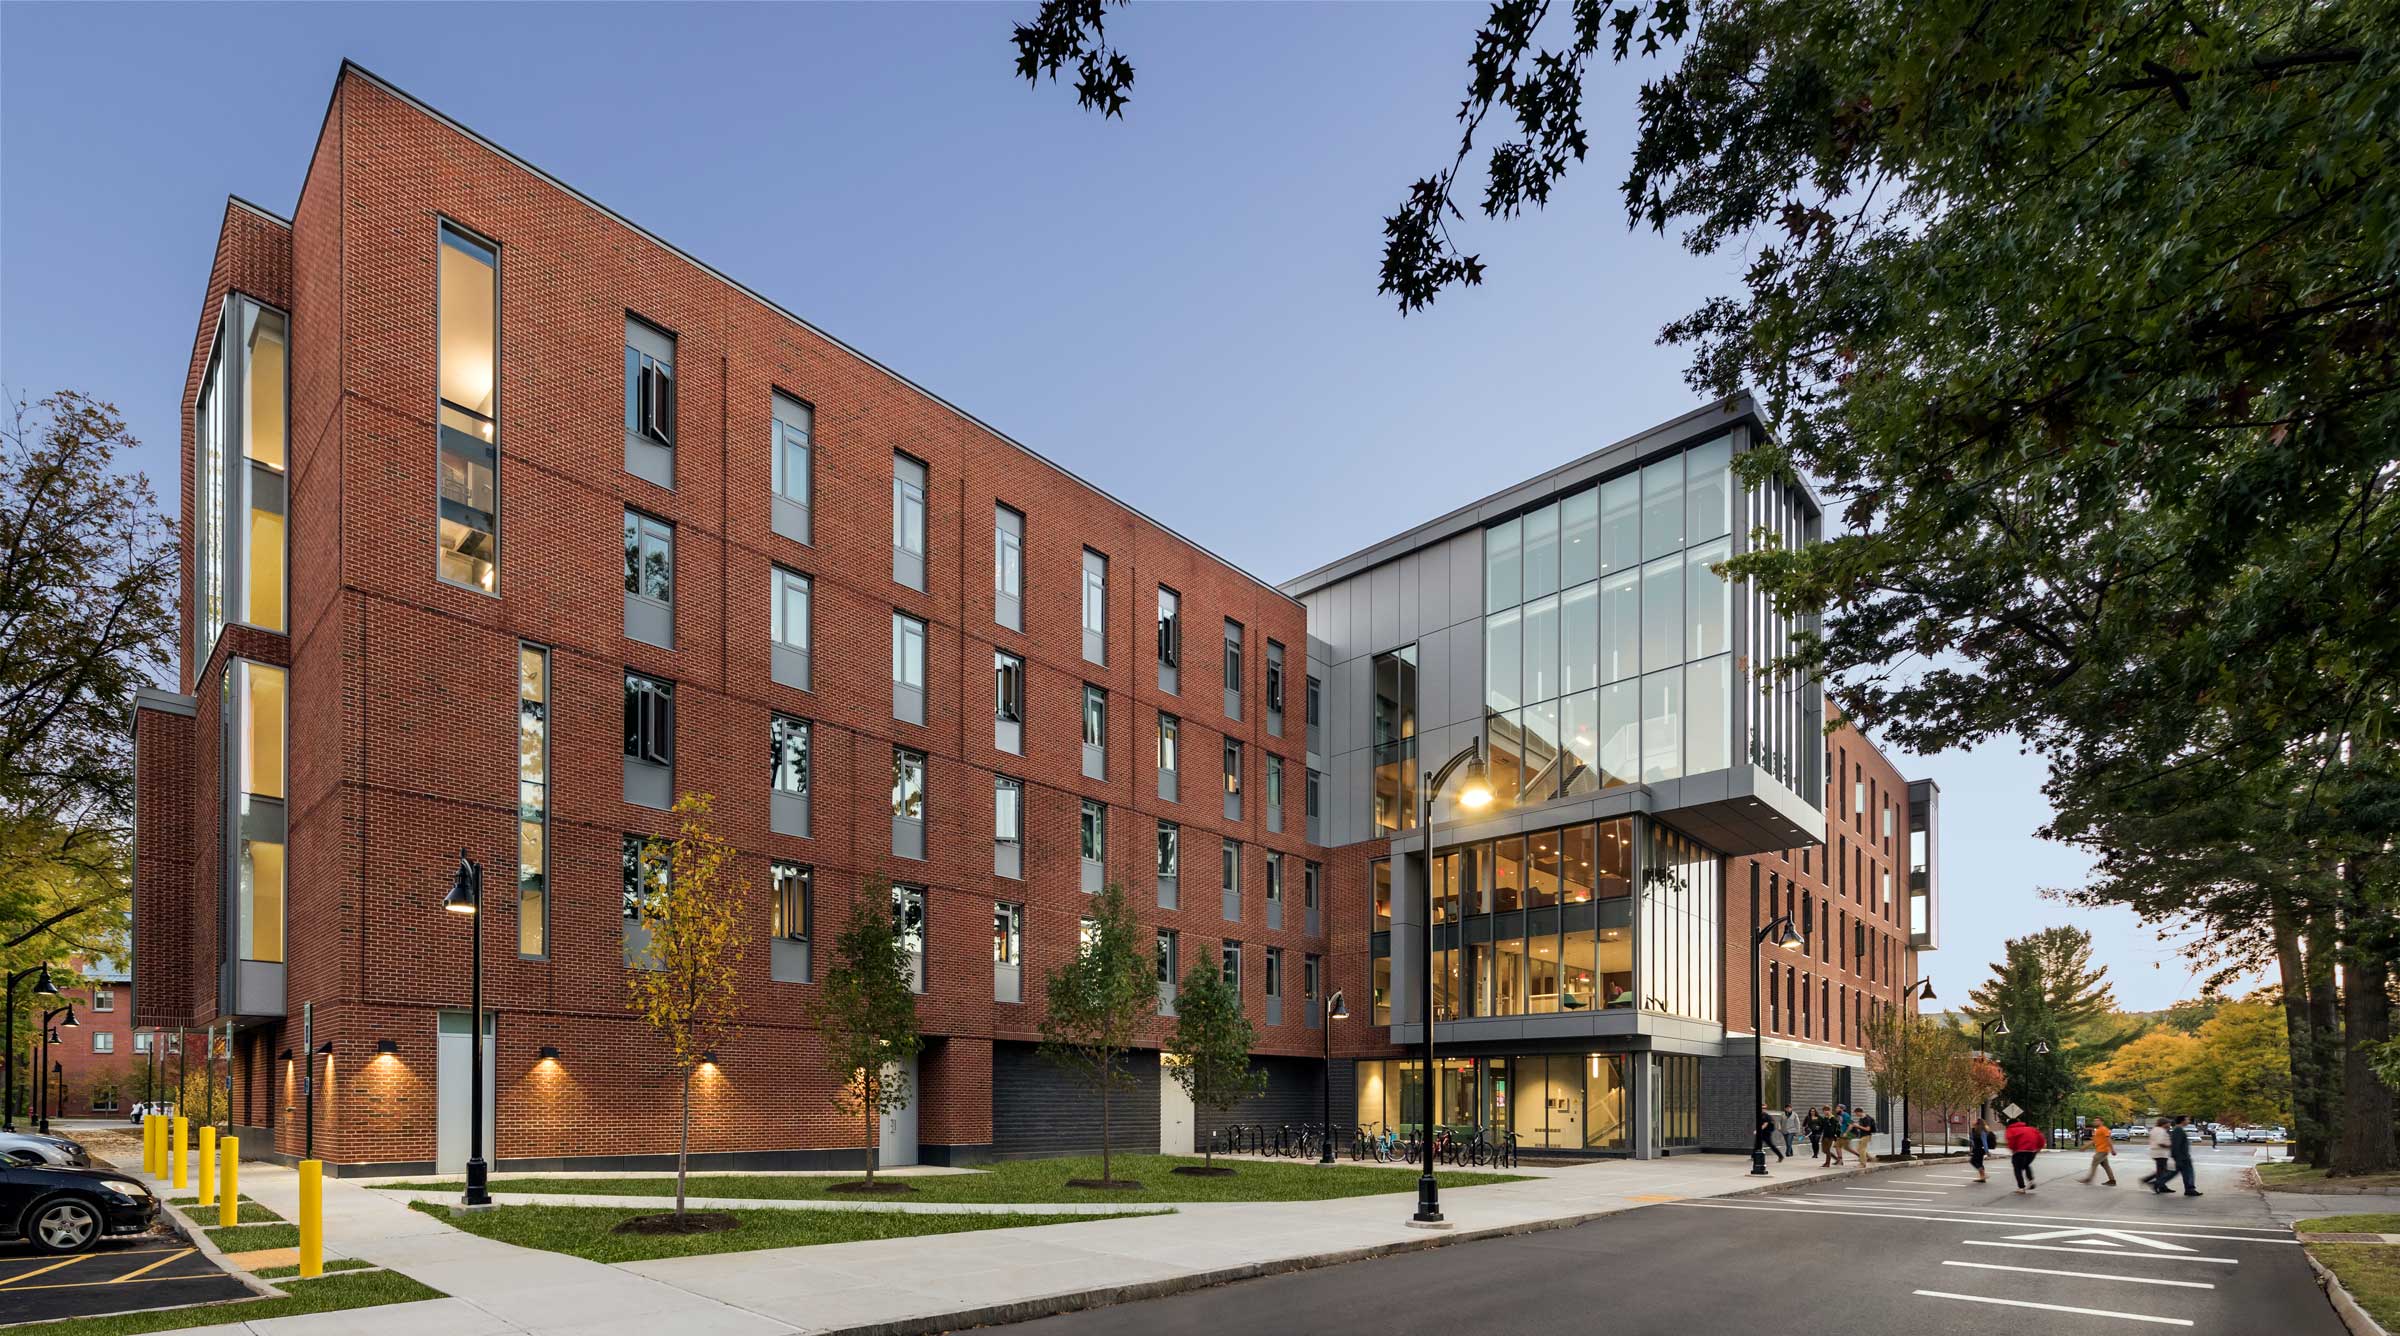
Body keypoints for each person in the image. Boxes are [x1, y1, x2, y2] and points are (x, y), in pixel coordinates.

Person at [2003, 1115, 2045, 1192]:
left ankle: (2021, 1187)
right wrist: (2039, 1148)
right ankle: (2031, 1181)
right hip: (2032, 1152)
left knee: (2017, 1169)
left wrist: (2012, 1149)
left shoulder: (2011, 1130)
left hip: (2019, 1151)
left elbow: (2011, 1141)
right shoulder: (2031, 1129)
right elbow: (2041, 1138)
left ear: (2009, 1124)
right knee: (2026, 1165)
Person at [2170, 1115, 2202, 1197]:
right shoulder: (2178, 1130)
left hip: (2183, 1156)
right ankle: (2190, 1189)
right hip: (2183, 1157)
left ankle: (2189, 1189)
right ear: (2182, 1121)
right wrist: (2177, 1157)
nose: (2188, 1121)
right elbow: (2176, 1145)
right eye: (2187, 1120)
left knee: (2174, 1173)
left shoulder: (2179, 1129)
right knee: (2188, 1173)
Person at [2080, 1119, 2117, 1185]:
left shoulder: (2104, 1129)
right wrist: (2085, 1147)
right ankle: (2112, 1181)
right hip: (2100, 1150)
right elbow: (2094, 1141)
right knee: (2106, 1166)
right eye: (2094, 1121)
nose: (2095, 1122)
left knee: (2094, 1164)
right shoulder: (2097, 1130)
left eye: (2097, 1121)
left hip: (2102, 1151)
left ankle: (2088, 1179)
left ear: (2102, 1122)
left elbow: (2108, 1139)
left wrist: (2112, 1150)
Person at [2142, 1119, 2174, 1192]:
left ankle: (2161, 1186)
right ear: (2164, 1123)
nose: (2170, 1125)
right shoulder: (2161, 1131)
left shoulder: (2154, 1130)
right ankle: (2155, 1184)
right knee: (2163, 1171)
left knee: (2162, 1171)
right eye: (2169, 1123)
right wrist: (2170, 1146)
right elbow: (2160, 1143)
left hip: (2156, 1153)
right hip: (2161, 1153)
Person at [1967, 1116, 1995, 1183]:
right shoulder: (1974, 1130)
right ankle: (1982, 1178)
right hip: (1976, 1149)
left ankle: (1984, 1175)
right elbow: (1972, 1141)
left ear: (1978, 1123)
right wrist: (1971, 1150)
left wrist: (1987, 1151)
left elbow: (1984, 1142)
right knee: (1979, 1163)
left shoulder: (1982, 1131)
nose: (1973, 1121)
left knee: (1973, 1161)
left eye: (1975, 1120)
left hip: (1979, 1149)